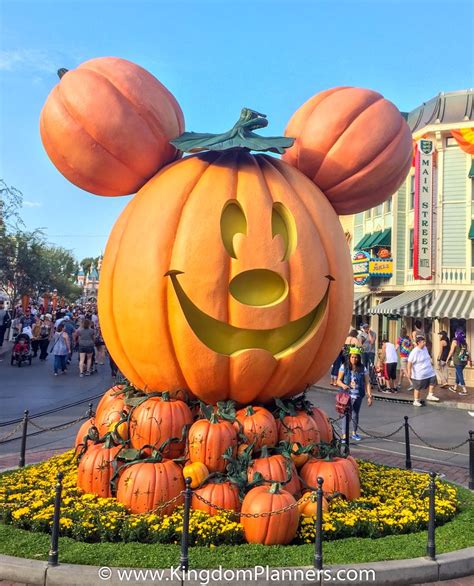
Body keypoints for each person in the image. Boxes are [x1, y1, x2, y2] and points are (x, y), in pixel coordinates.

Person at [337, 347, 373, 441]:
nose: (354, 359)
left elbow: (367, 382)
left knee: (355, 414)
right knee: (346, 414)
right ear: (349, 357)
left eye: (356, 357)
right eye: (352, 357)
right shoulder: (344, 366)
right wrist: (343, 385)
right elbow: (338, 381)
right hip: (346, 395)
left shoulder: (362, 368)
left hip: (358, 394)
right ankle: (344, 435)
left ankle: (354, 432)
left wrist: (369, 396)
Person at [406, 335, 440, 407]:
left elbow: (427, 356)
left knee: (433, 380)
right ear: (418, 343)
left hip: (429, 371)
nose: (424, 343)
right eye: (423, 342)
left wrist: (430, 362)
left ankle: (430, 395)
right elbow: (409, 362)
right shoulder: (414, 351)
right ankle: (416, 400)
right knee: (418, 387)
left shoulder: (425, 348)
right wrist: (409, 371)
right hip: (419, 373)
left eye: (424, 341)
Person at [446, 328, 471, 396]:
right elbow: (468, 352)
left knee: (460, 375)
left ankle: (464, 390)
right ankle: (455, 387)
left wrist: (447, 359)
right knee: (458, 373)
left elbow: (451, 352)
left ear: (457, 334)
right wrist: (470, 360)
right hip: (464, 361)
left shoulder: (455, 342)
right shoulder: (465, 342)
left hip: (457, 361)